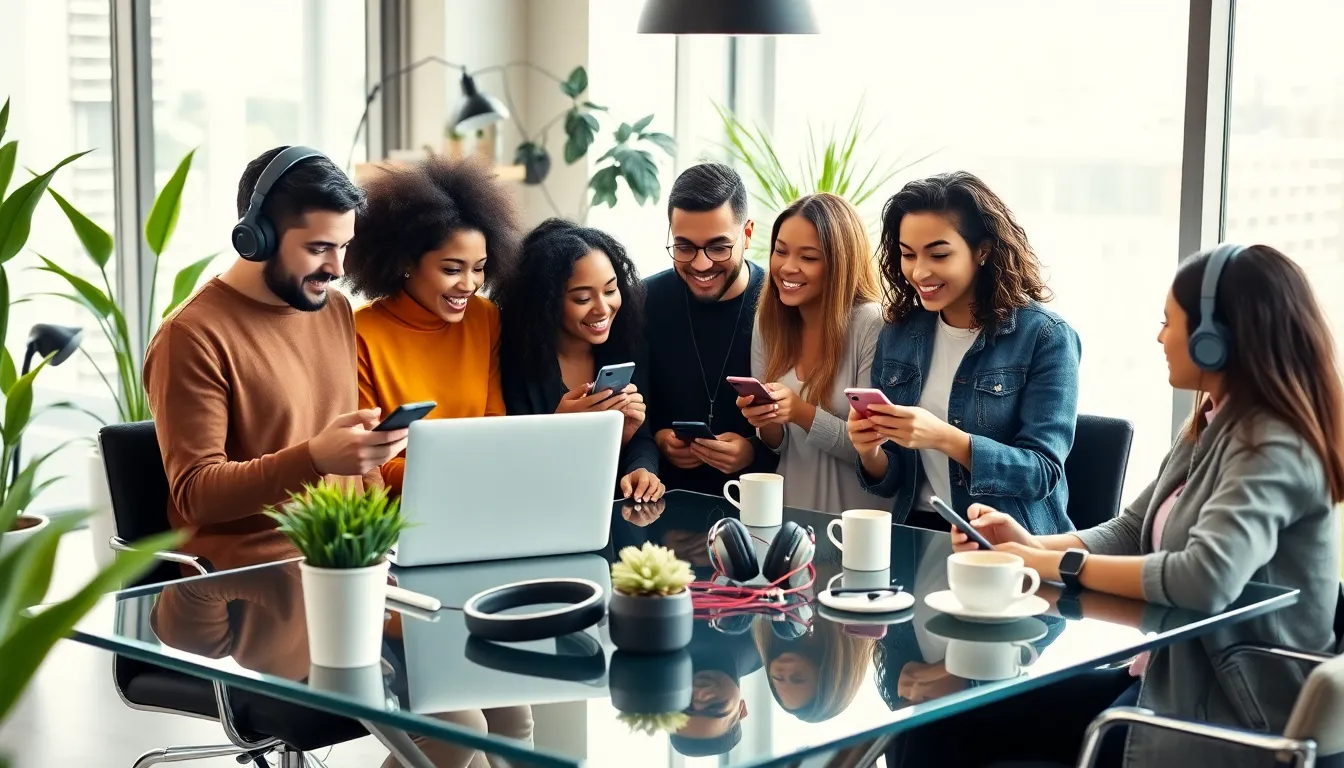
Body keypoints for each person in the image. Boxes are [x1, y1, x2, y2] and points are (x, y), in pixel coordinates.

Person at [947, 244, 1344, 768]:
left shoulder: (1272, 444)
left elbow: (1204, 578)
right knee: (947, 718)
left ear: (1213, 341)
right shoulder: (1211, 421)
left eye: (1168, 323)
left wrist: (1048, 564)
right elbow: (1135, 529)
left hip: (1234, 712)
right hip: (1171, 678)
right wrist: (1028, 544)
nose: (1159, 338)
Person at [144, 146, 408, 572]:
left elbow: (358, 468)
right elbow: (196, 495)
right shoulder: (191, 336)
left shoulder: (334, 308)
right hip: (253, 580)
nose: (337, 267)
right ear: (256, 238)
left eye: (344, 246)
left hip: (353, 564)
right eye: (319, 247)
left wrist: (383, 536)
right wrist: (315, 459)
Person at [846, 171, 1081, 535]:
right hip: (918, 535)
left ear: (982, 250)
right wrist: (869, 452)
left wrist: (944, 437)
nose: (919, 271)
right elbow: (892, 479)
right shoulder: (899, 333)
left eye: (938, 254)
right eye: (908, 255)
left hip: (1010, 545)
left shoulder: (1045, 336)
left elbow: (1042, 472)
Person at [342, 155, 522, 493]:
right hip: (400, 515)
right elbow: (366, 463)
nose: (469, 284)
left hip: (479, 495)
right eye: (452, 269)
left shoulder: (484, 318)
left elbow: (493, 425)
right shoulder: (359, 332)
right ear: (406, 262)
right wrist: (448, 474)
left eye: (479, 267)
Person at [735, 193, 889, 512]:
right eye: (780, 251)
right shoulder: (769, 322)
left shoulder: (870, 323)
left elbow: (872, 452)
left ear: (839, 262)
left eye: (808, 257)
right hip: (792, 518)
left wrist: (799, 411)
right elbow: (776, 445)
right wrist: (766, 418)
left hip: (856, 526)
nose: (788, 268)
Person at [495, 219, 664, 502]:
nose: (602, 308)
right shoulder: (515, 362)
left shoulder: (627, 345)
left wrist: (641, 467)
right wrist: (560, 426)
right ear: (547, 302)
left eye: (610, 290)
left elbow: (641, 439)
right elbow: (511, 467)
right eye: (583, 298)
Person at [645, 162, 779, 495]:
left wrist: (752, 450)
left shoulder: (782, 306)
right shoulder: (642, 301)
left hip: (756, 508)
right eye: (684, 247)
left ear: (747, 235)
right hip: (662, 505)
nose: (701, 264)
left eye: (718, 247)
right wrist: (659, 439)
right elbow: (632, 410)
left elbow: (806, 424)